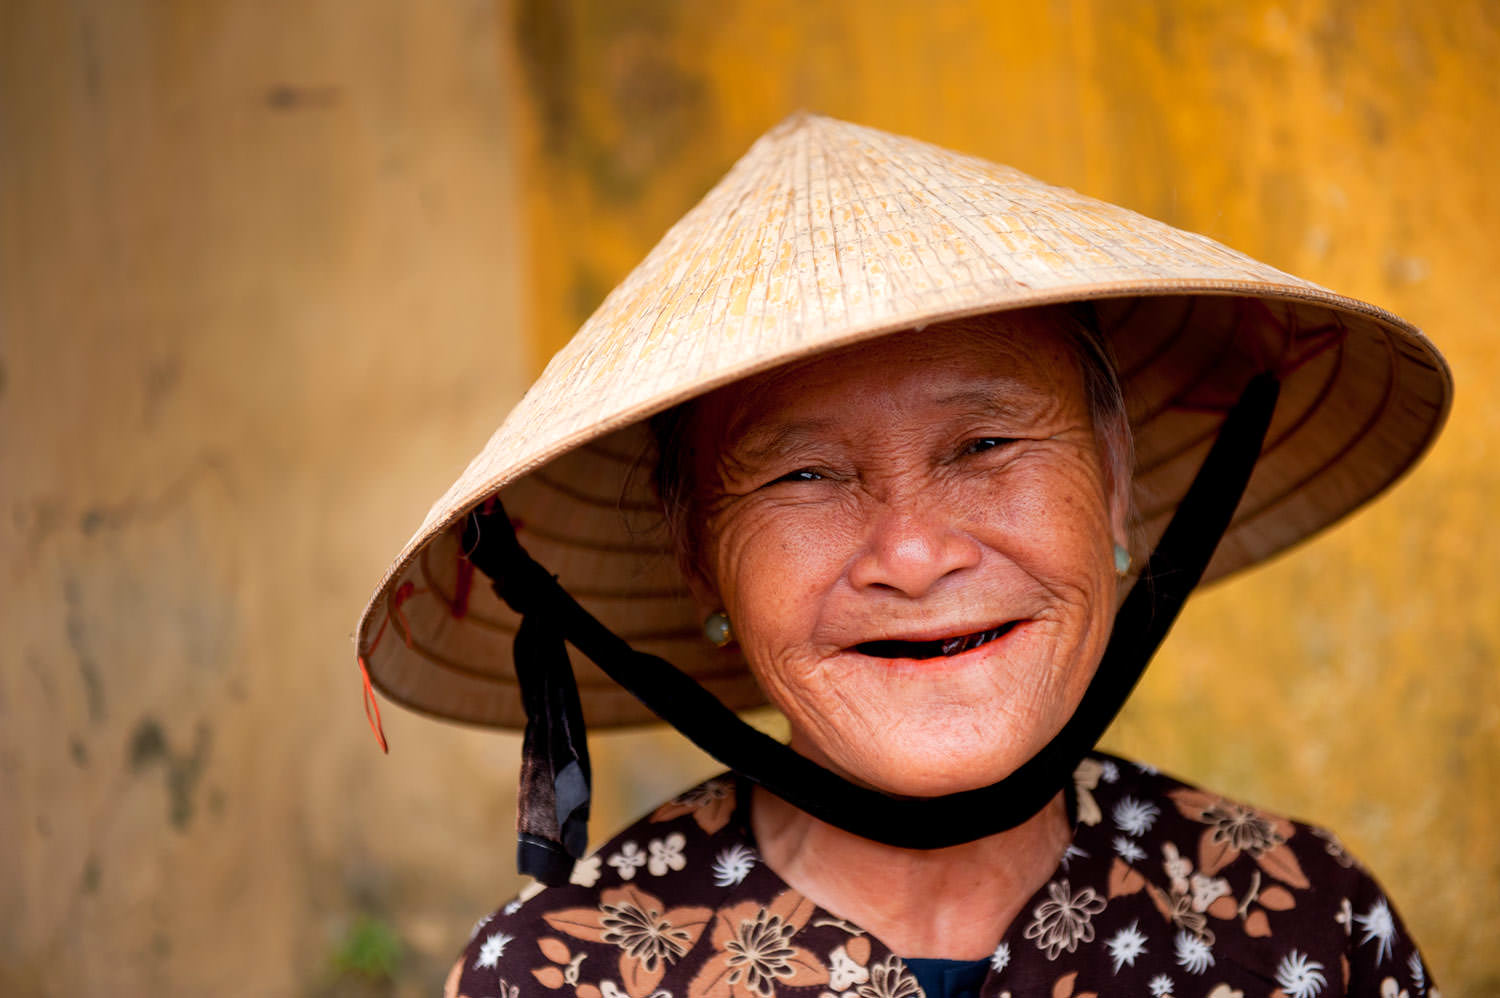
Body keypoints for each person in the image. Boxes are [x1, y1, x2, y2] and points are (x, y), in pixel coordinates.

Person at [354, 114, 1448, 998]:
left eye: (984, 444)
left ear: (1117, 481)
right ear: (702, 563)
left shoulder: (1302, 918)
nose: (915, 555)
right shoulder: (561, 975)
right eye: (804, 477)